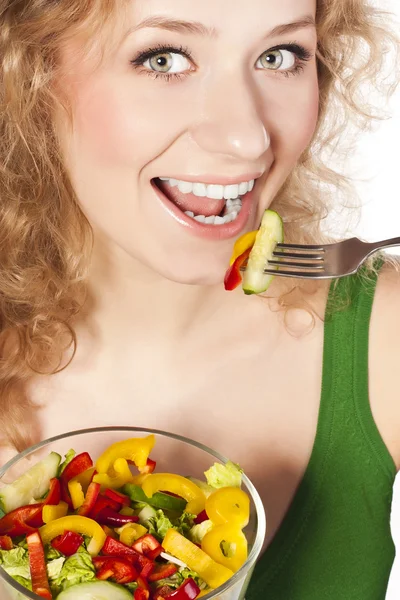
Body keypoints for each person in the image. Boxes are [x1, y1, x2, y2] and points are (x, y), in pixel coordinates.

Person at [0, 0, 399, 597]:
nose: (247, 137)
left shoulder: (381, 337)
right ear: (28, 74)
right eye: (163, 59)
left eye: (279, 55)